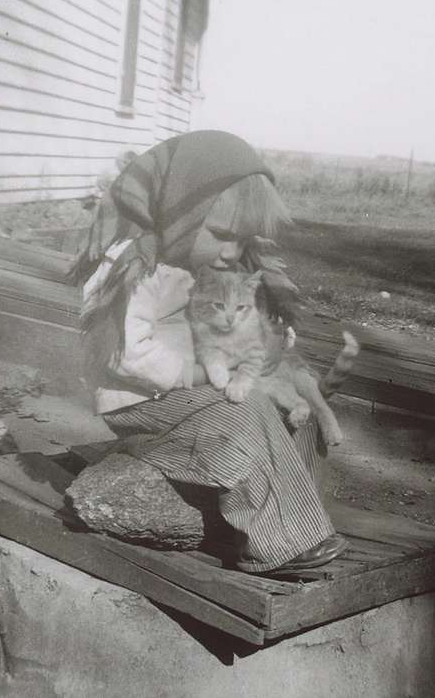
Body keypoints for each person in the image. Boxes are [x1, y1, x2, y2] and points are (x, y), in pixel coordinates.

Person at [78, 130, 346, 579]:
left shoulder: (215, 266)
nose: (231, 253)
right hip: (145, 406)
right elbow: (121, 352)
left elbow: (249, 313)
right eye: (222, 235)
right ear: (182, 211)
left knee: (296, 408)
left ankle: (303, 517)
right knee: (244, 414)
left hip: (203, 388)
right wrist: (193, 373)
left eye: (242, 241)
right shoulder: (138, 266)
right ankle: (276, 543)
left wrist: (269, 338)